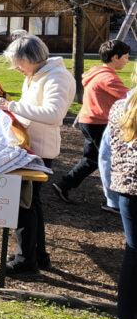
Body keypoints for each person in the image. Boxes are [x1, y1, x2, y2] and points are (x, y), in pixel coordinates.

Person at [0, 34, 74, 275]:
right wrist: (3, 106)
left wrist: (11, 106)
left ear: (31, 58)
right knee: (30, 203)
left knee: (24, 204)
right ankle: (36, 255)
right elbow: (30, 110)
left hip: (38, 150)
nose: (15, 68)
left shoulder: (57, 77)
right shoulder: (37, 75)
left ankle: (26, 261)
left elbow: (53, 114)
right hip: (28, 147)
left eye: (18, 62)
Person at [53, 39, 130, 204]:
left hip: (88, 121)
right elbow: (130, 98)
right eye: (125, 57)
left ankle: (64, 184)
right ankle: (114, 202)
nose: (127, 61)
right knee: (111, 160)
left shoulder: (97, 72)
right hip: (99, 123)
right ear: (115, 57)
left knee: (92, 159)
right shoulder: (108, 78)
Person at [106, 67, 137, 319]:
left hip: (127, 190)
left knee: (133, 252)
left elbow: (108, 149)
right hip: (129, 187)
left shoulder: (119, 107)